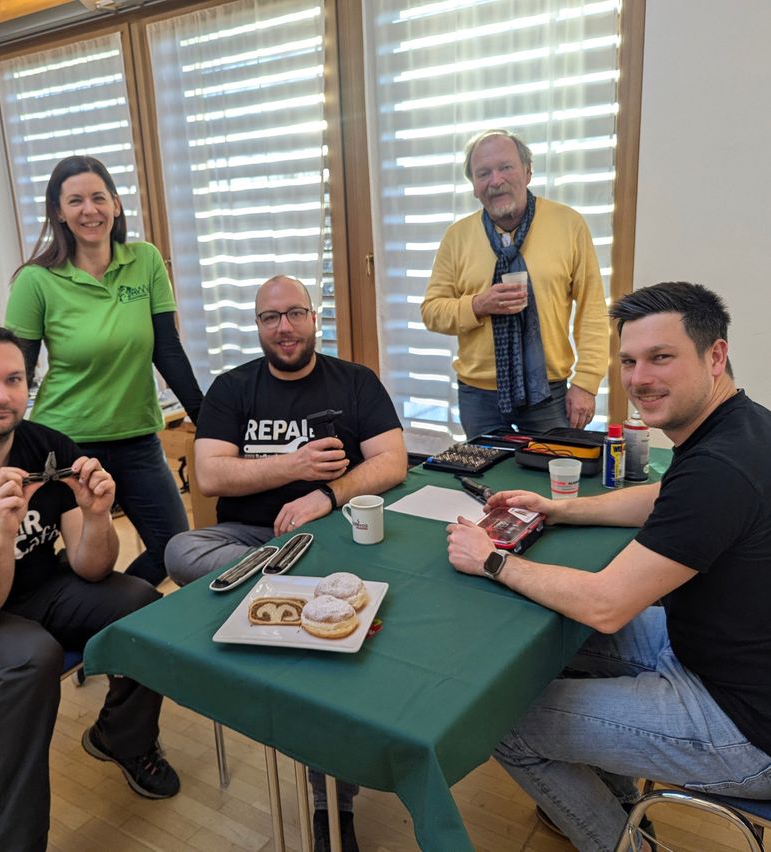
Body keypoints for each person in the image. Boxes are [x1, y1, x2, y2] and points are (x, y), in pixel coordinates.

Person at [445, 282, 771, 852]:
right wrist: (559, 509)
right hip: (717, 654)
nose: (639, 378)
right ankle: (618, 801)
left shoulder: (721, 467)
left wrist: (491, 560)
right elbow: (664, 497)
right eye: (628, 361)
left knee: (503, 722)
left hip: (743, 725)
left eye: (661, 357)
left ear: (715, 356)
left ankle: (622, 841)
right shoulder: (742, 425)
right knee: (555, 646)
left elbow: (606, 604)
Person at [165, 274, 408, 852]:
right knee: (181, 549)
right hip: (248, 539)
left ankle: (332, 803)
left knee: (334, 665)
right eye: (271, 317)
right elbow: (210, 475)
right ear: (258, 326)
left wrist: (323, 496)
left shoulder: (355, 382)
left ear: (313, 317)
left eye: (295, 313)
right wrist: (295, 466)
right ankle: (305, 600)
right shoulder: (231, 387)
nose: (285, 327)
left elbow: (393, 462)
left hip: (331, 537)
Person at [0, 324, 180, 852]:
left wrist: (97, 515)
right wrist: (2, 535)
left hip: (35, 591)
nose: (1, 394)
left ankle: (120, 739)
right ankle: (3, 842)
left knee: (141, 606)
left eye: (14, 379)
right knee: (29, 656)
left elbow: (91, 568)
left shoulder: (48, 446)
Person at [5, 155, 203, 586]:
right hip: (67, 445)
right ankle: (92, 624)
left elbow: (166, 350)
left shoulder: (144, 261)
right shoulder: (36, 281)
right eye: (75, 200)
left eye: (98, 197)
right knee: (86, 561)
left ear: (115, 204)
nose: (89, 210)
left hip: (137, 438)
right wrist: (6, 443)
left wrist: (208, 420)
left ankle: (114, 620)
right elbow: (13, 371)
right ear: (58, 211)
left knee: (175, 550)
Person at [421, 129, 609, 438]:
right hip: (478, 395)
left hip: (548, 393)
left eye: (505, 167)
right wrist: (479, 305)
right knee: (489, 481)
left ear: (528, 172)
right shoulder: (457, 237)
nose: (495, 180)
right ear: (474, 187)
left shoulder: (568, 225)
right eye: (483, 173)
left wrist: (586, 383)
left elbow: (592, 310)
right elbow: (432, 311)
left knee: (549, 478)